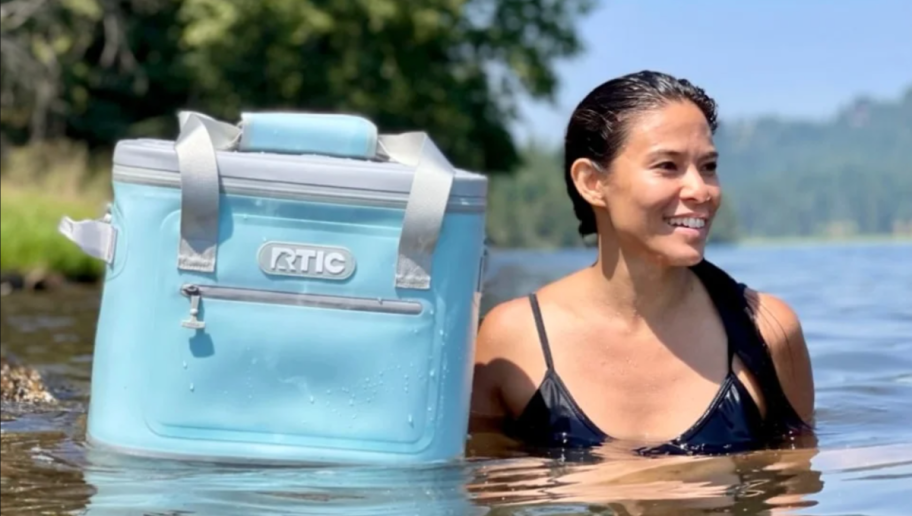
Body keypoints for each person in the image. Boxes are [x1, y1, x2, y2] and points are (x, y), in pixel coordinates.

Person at [470, 70, 815, 456]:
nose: (701, 190)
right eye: (667, 165)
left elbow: (793, 485)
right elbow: (484, 486)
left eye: (709, 166)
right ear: (591, 182)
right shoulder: (513, 337)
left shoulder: (768, 330)